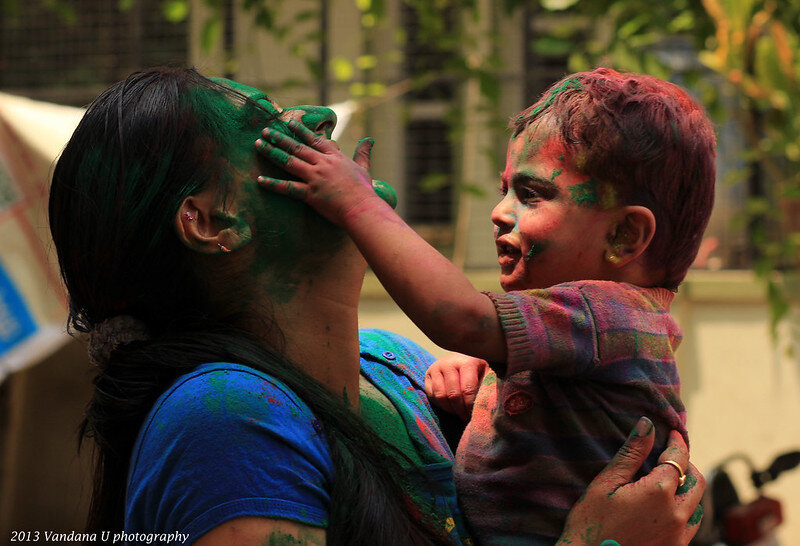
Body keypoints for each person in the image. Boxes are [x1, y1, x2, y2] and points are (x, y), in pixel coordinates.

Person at [49, 67, 704, 545]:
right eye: (267, 127)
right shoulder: (228, 419)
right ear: (213, 222)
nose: (321, 123)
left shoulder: (397, 367)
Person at [253, 67, 714, 544]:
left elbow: (460, 317)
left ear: (624, 235)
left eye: (532, 195)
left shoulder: (613, 315)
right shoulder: (597, 329)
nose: (499, 212)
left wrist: (357, 204)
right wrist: (490, 366)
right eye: (505, 190)